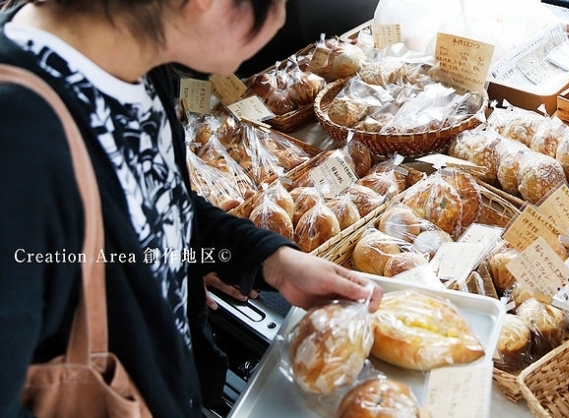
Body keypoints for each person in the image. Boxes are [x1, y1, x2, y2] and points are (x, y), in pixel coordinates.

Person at [0, 1, 382, 417]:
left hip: (179, 382)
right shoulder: (19, 145)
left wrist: (270, 259)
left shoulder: (137, 64)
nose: (281, 18)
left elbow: (160, 207)